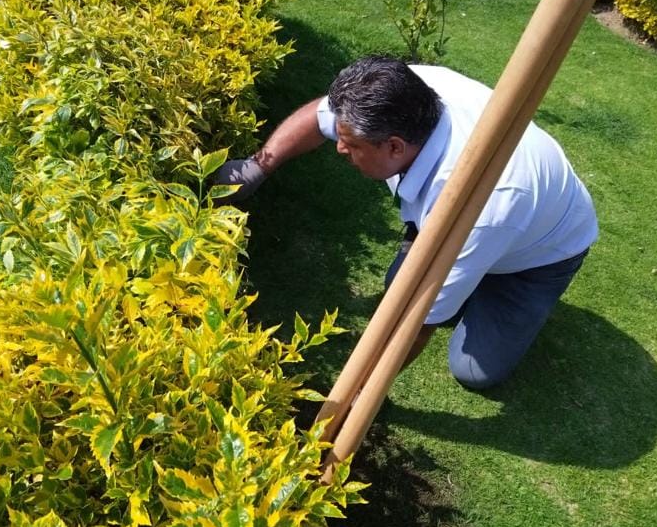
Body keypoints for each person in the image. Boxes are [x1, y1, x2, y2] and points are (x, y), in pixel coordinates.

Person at [215, 55, 597, 389]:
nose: (339, 147)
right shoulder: (404, 91)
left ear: (395, 147)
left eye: (352, 145)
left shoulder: (477, 206)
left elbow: (418, 321)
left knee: (473, 371)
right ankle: (466, 279)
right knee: (400, 286)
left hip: (537, 255)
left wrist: (358, 392)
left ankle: (486, 285)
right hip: (489, 220)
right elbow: (319, 118)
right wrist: (255, 168)